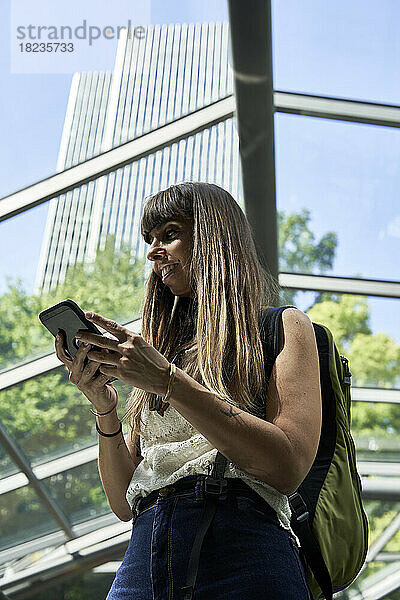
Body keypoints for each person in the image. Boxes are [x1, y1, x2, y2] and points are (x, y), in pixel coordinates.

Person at [55, 181, 321, 599]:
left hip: (245, 547)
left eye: (170, 234)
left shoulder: (282, 327)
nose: (152, 251)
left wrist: (169, 382)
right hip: (145, 551)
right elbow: (125, 505)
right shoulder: (163, 352)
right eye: (149, 239)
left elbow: (288, 468)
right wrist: (105, 409)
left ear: (214, 236)